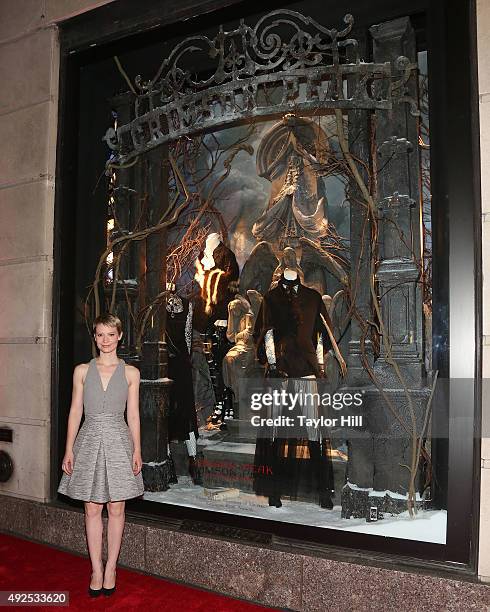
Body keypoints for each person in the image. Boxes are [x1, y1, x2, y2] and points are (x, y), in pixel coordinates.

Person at [58, 313, 144, 597]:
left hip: (119, 440)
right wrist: (69, 448)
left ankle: (112, 568)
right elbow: (75, 411)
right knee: (92, 508)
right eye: (99, 335)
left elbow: (133, 415)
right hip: (90, 439)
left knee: (117, 508)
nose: (105, 340)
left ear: (119, 336)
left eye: (110, 334)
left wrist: (137, 450)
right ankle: (96, 568)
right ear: (94, 337)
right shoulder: (82, 371)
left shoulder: (131, 373)